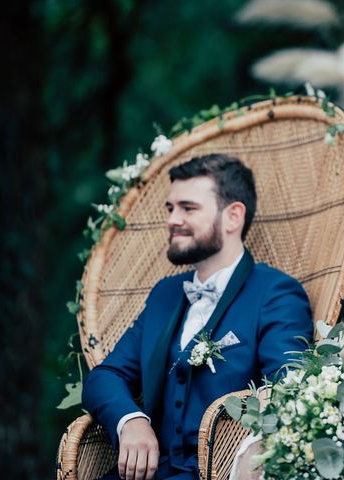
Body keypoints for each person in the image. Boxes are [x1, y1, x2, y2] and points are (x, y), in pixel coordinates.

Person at [82, 153, 313, 480]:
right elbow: (104, 377)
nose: (172, 219)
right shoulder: (165, 293)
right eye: (170, 208)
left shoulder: (276, 293)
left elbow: (289, 389)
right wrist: (131, 421)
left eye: (188, 208)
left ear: (233, 217)